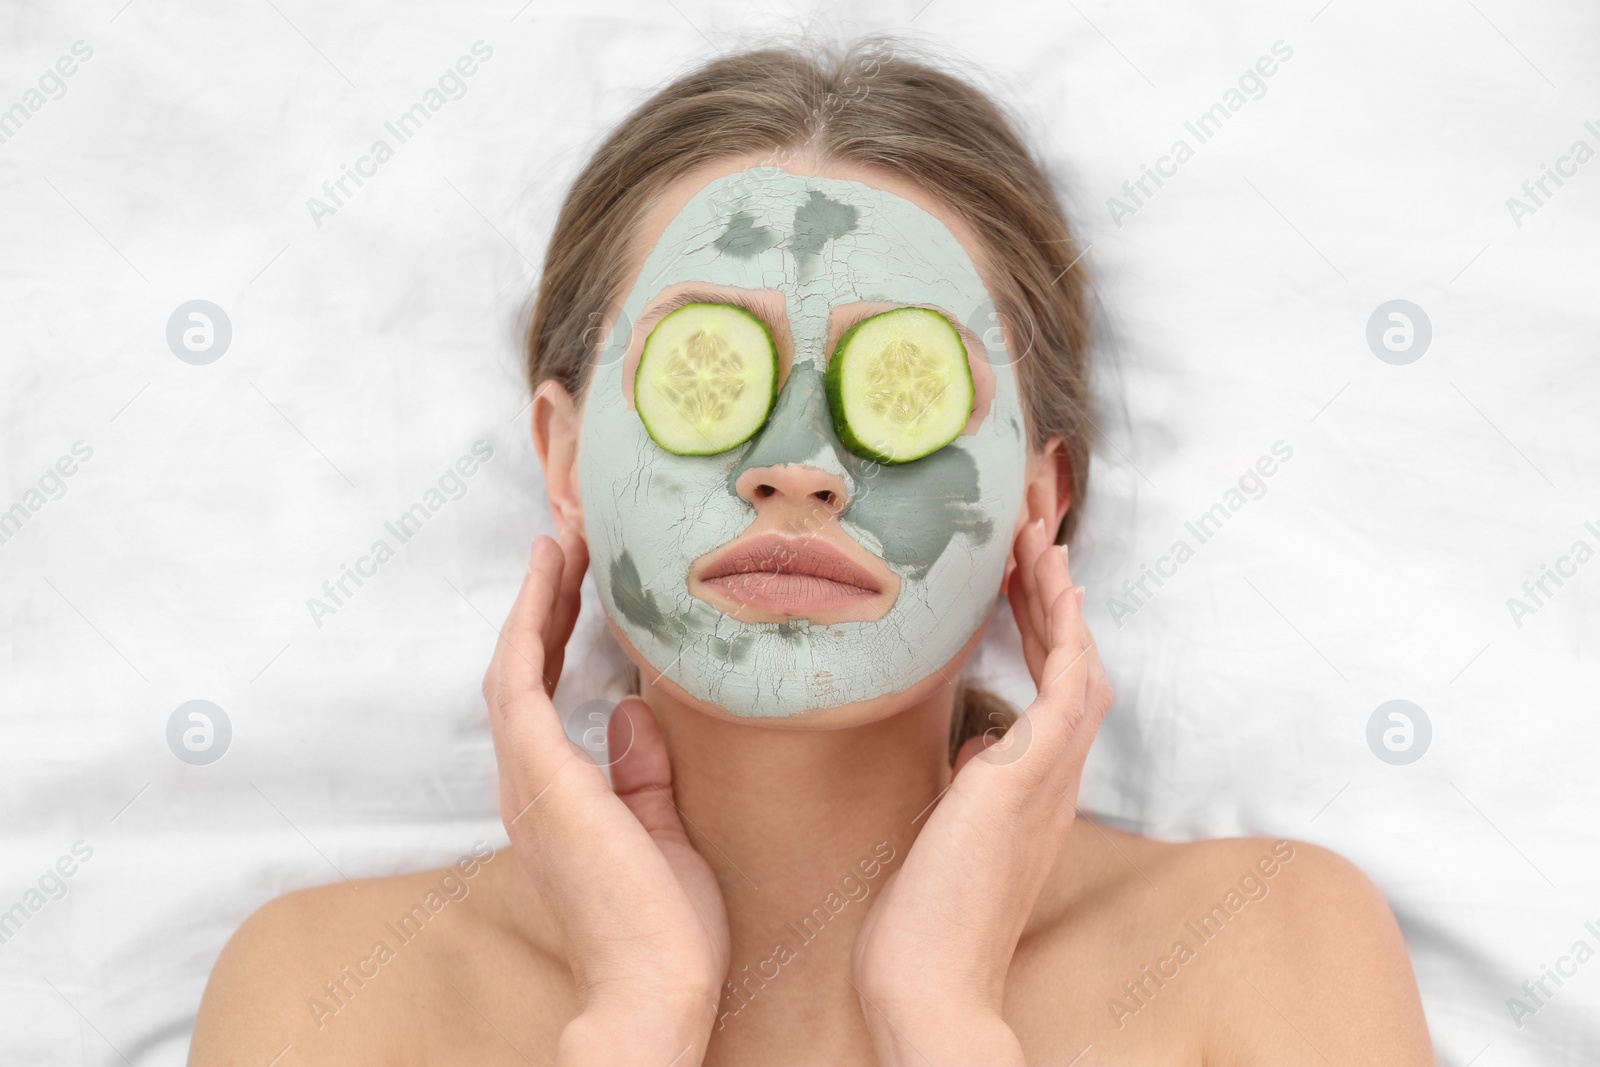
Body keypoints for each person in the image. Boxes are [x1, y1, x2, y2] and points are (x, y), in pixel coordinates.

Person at [191, 35, 1434, 1065]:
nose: (799, 466)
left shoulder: (1264, 943)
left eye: (901, 383)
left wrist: (939, 1015)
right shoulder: (323, 996)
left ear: (1035, 501)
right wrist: (636, 1013)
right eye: (705, 371)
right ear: (566, 458)